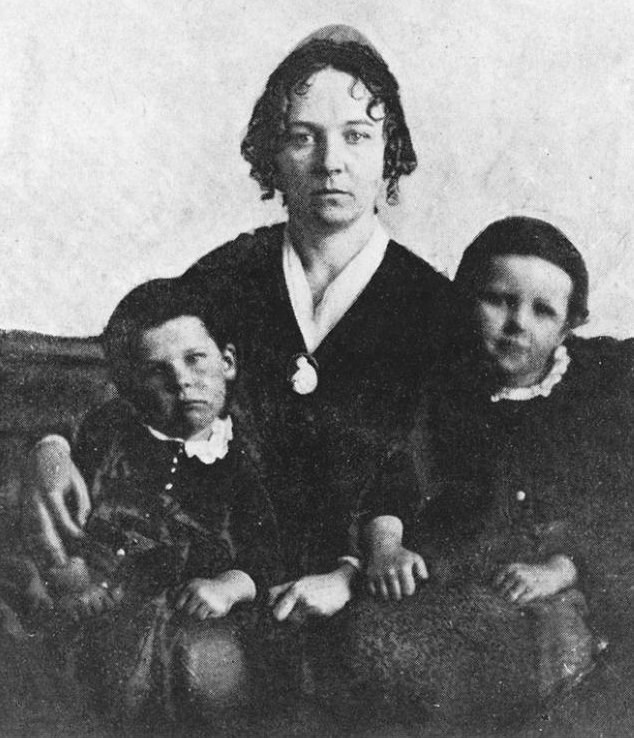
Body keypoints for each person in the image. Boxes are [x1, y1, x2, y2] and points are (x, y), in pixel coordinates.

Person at [24, 25, 449, 628]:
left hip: (365, 591)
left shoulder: (432, 304)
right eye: (303, 138)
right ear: (272, 154)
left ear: (389, 152)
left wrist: (354, 572)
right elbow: (132, 360)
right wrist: (52, 445)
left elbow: (459, 476)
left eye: (357, 137)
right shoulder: (230, 273)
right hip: (226, 579)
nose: (331, 163)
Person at [341, 216, 634, 732]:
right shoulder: (436, 387)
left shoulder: (598, 392)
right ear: (465, 301)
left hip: (571, 580)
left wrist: (562, 569)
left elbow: (612, 507)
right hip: (460, 580)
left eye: (543, 311)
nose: (518, 322)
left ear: (569, 326)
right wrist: (387, 545)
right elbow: (391, 475)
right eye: (499, 300)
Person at [16, 277, 281, 731]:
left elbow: (268, 545)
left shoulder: (246, 456)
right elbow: (59, 509)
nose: (180, 380)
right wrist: (71, 575)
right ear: (129, 385)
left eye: (195, 359)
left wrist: (231, 585)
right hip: (91, 598)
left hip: (192, 607)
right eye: (157, 370)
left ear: (228, 362)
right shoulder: (110, 430)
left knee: (202, 672)